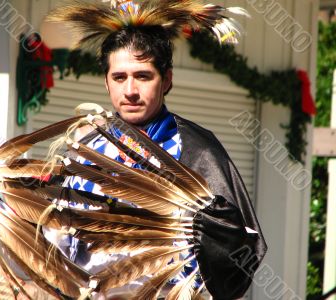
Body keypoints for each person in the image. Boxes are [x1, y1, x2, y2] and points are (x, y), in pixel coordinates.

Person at [49, 8, 267, 300]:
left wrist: (214, 238)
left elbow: (241, 253)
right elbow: (59, 244)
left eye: (143, 76)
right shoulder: (86, 150)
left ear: (166, 80)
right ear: (106, 81)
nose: (130, 90)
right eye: (119, 77)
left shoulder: (197, 150)